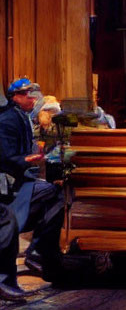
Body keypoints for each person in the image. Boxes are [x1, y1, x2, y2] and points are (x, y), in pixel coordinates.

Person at [0, 78, 65, 282]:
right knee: (55, 194)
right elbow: (6, 158)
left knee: (55, 196)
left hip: (24, 176)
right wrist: (28, 159)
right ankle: (38, 251)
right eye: (28, 94)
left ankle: (39, 251)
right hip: (12, 182)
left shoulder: (23, 116)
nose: (32, 98)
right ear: (16, 97)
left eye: (33, 94)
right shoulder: (9, 119)